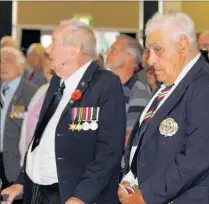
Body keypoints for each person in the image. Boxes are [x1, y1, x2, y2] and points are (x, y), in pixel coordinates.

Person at [1, 19, 126, 204]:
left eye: (54, 43)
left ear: (74, 50)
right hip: (37, 192)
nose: (48, 50)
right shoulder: (57, 82)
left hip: (70, 195)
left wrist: (81, 196)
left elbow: (109, 152)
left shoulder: (105, 83)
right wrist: (21, 182)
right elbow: (39, 139)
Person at [118, 11, 209, 204]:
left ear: (183, 45)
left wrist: (147, 196)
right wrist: (129, 180)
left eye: (158, 50)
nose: (150, 60)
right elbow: (142, 142)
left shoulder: (208, 88)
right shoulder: (168, 87)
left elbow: (196, 160)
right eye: (149, 51)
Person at [0, 47, 37, 190]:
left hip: (16, 164)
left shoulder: (32, 93)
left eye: (7, 61)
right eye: (0, 61)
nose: (2, 65)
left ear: (21, 67)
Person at [106, 34, 151, 147]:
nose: (107, 53)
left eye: (113, 49)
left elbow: (130, 139)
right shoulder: (105, 87)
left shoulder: (139, 91)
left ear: (129, 57)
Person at [19, 56, 55, 166]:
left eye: (52, 62)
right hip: (30, 159)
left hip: (48, 162)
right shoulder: (42, 89)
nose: (49, 67)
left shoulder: (65, 91)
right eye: (46, 64)